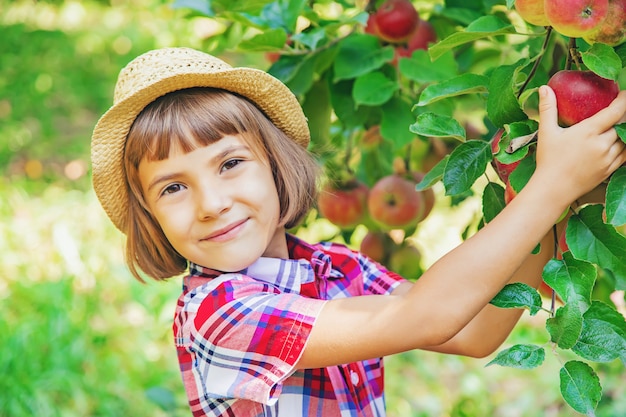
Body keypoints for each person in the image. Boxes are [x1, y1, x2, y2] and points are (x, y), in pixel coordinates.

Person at [91, 47, 626, 417]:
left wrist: (544, 197)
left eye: (230, 164)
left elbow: (471, 331)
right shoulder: (217, 314)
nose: (211, 203)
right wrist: (550, 189)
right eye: (172, 188)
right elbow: (427, 316)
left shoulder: (334, 268)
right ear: (150, 216)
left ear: (278, 165)